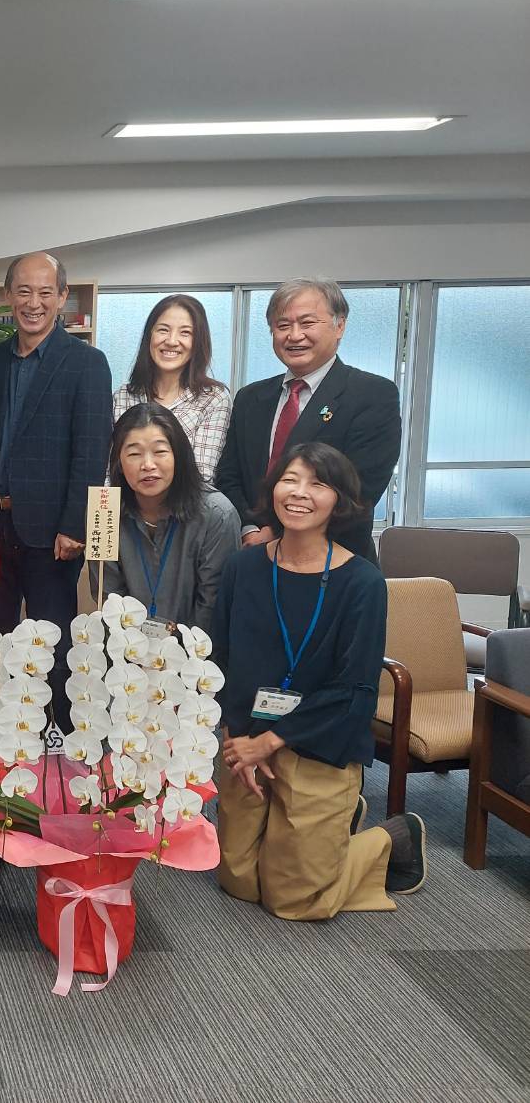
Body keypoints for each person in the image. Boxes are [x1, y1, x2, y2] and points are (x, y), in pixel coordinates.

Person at [213, 442, 426, 921]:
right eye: (290, 480)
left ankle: (389, 839)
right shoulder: (242, 567)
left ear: (341, 501)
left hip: (320, 742)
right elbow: (220, 659)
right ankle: (319, 836)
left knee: (293, 900)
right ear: (272, 491)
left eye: (318, 483)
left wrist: (266, 743)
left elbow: (354, 691)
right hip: (248, 737)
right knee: (239, 880)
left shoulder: (362, 583)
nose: (300, 493)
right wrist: (235, 741)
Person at [0, 251, 111, 727]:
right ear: (8, 295)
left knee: (55, 638)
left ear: (63, 298)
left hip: (52, 530)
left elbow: (92, 450)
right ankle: (0, 734)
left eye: (45, 292)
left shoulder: (86, 364)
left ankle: (62, 735)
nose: (34, 303)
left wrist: (75, 525)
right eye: (24, 291)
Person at [215, 276, 401, 564]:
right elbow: (229, 476)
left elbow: (360, 490)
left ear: (340, 326)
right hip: (254, 559)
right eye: (283, 325)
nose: (294, 335)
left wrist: (275, 534)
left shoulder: (373, 394)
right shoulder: (250, 398)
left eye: (307, 323)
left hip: (334, 565)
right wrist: (250, 529)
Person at [94, 403, 240, 631]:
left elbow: (212, 605)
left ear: (178, 456)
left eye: (160, 451)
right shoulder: (105, 511)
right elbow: (108, 595)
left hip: (198, 655)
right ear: (118, 463)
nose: (148, 465)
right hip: (126, 652)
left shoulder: (217, 515)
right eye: (134, 454)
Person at [111, 294, 232, 485]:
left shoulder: (214, 398)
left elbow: (203, 476)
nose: (172, 341)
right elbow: (110, 471)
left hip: (185, 511)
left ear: (198, 342)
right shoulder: (123, 397)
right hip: (124, 510)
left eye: (185, 333)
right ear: (149, 336)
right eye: (163, 330)